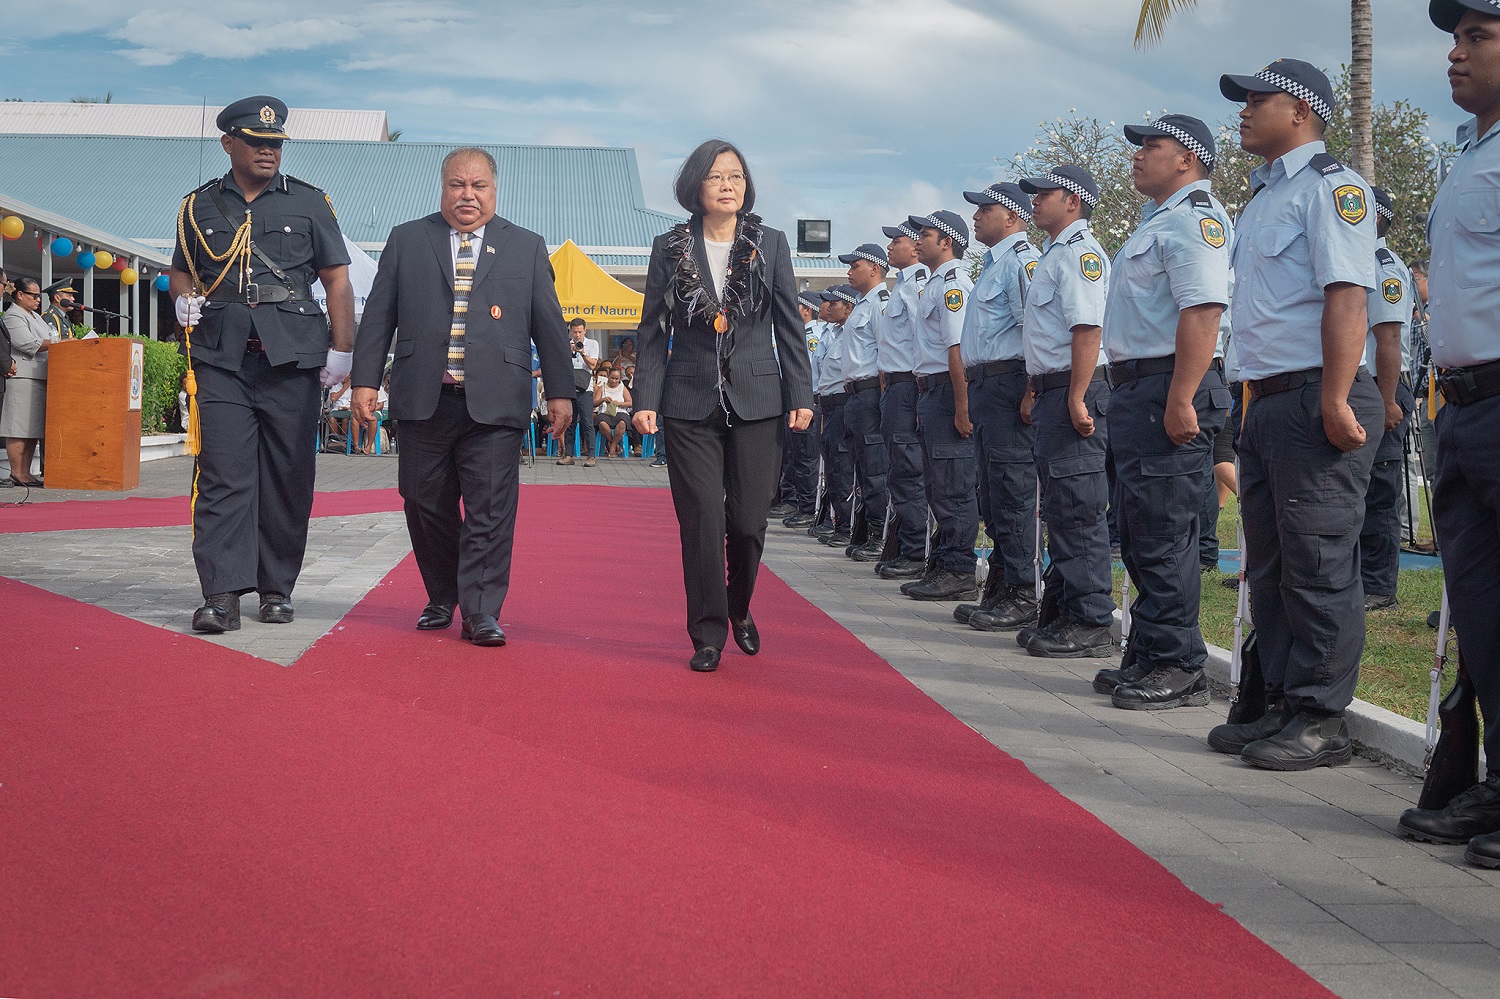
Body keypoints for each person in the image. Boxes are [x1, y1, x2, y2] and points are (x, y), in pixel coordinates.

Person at [1206, 59, 1381, 770]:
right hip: (1270, 399)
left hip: (1318, 393)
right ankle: (1280, 698)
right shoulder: (1261, 199)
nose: (1244, 111)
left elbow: (1347, 295)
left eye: (1258, 100)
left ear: (1302, 111)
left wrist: (1336, 396)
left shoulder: (1333, 189)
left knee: (1317, 561)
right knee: (1272, 564)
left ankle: (1321, 716)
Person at [353, 146, 574, 648]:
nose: (468, 195)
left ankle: (479, 611)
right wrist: (365, 381)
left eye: (479, 186)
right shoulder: (408, 239)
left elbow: (550, 324)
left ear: (495, 191)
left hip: (495, 401)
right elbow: (379, 316)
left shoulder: (526, 246)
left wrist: (560, 391)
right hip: (422, 397)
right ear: (443, 187)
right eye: (458, 185)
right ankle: (443, 592)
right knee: (422, 500)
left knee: (490, 509)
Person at [169, 95, 356, 633]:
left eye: (275, 143)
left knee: (287, 475)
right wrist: (182, 299)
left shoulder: (310, 202)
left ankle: (276, 588)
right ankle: (222, 594)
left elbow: (336, 280)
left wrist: (342, 351)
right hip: (221, 358)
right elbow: (183, 269)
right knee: (223, 475)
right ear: (228, 143)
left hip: (292, 359)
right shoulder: (196, 206)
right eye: (257, 142)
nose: (269, 151)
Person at [630, 138, 814, 673]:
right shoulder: (669, 248)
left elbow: (789, 325)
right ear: (696, 187)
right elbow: (651, 330)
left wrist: (800, 393)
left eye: (736, 176)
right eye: (717, 177)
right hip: (688, 403)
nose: (729, 185)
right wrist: (645, 398)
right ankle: (707, 633)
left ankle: (739, 607)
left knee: (750, 522)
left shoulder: (770, 244)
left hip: (759, 399)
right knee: (703, 520)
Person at [1396, 0, 1500, 868]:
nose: (1455, 54)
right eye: (1455, 39)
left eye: (1478, 36)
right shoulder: (1471, 156)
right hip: (1462, 406)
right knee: (1481, 609)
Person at [1095, 116, 1233, 709]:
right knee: (1139, 528)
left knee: (1167, 534)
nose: (1139, 155)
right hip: (1139, 388)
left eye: (1153, 146)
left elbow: (1202, 311)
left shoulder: (1194, 220)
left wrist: (1181, 397)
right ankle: (1152, 649)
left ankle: (1179, 664)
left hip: (1169, 385)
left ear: (1187, 160)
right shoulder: (1155, 223)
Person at [1017, 166, 1115, 657]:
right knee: (1059, 506)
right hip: (1053, 389)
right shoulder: (1056, 252)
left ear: (1073, 201)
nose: (1033, 200)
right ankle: (1066, 611)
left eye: (1044, 193)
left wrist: (1076, 396)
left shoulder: (1080, 253)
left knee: (1077, 508)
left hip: (1075, 390)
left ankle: (1092, 619)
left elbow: (1087, 329)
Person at [955, 183, 1041, 632]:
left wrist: (1030, 392)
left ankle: (1022, 591)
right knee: (991, 491)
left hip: (1010, 384)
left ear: (1011, 216)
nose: (975, 217)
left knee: (1012, 491)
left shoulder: (1022, 261)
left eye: (984, 210)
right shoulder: (993, 266)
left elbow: (1034, 330)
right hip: (988, 385)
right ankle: (1003, 585)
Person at [903, 210, 978, 602]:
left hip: (950, 390)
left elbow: (957, 349)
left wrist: (962, 407)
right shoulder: (933, 284)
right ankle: (947, 560)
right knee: (937, 483)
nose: (918, 240)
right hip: (931, 390)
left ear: (947, 241)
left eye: (926, 234)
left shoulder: (954, 284)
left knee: (953, 485)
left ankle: (959, 568)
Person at [1358, 186, 1415, 612]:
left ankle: (1378, 585)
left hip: (1385, 385)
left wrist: (1387, 400)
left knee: (1379, 489)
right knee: (1358, 489)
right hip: (1367, 386)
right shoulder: (1360, 262)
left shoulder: (1384, 265)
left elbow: (1389, 339)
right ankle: (1361, 577)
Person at [874, 221, 929, 580]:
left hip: (911, 385)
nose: (891, 247)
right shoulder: (902, 286)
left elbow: (923, 342)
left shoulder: (919, 285)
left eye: (898, 240)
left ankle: (914, 549)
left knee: (910, 470)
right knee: (898, 470)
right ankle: (905, 545)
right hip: (895, 387)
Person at [837, 244, 892, 562]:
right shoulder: (861, 305)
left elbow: (887, 355)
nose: (848, 272)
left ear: (873, 268)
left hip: (872, 392)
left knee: (874, 467)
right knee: (860, 465)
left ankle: (878, 534)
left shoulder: (880, 304)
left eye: (854, 265)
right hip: (855, 394)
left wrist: (883, 400)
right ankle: (867, 530)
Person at [813, 285, 857, 546]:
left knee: (842, 468)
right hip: (828, 407)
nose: (828, 307)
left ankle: (846, 526)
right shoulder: (836, 333)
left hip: (843, 404)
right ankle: (839, 521)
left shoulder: (850, 333)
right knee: (832, 467)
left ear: (848, 307)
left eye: (834, 303)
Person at [1, 276, 53, 488]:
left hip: (38, 375)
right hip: (22, 376)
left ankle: (26, 471)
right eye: (33, 295)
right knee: (18, 428)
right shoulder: (14, 315)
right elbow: (27, 343)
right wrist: (60, 343)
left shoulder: (35, 316)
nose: (38, 299)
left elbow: (48, 337)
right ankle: (16, 472)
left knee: (32, 429)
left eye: (39, 295)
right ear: (20, 295)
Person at [779, 289, 825, 526]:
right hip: (794, 403)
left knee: (806, 458)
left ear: (806, 310)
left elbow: (806, 372)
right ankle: (794, 499)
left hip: (808, 402)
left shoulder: (811, 336)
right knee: (792, 455)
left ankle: (806, 506)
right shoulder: (799, 334)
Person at [560, 317, 600, 466]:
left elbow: (593, 365)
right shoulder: (566, 343)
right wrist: (567, 351)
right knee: (569, 422)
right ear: (570, 331)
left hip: (585, 389)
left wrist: (582, 352)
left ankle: (591, 456)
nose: (577, 335)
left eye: (579, 332)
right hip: (570, 387)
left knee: (587, 422)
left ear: (585, 331)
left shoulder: (592, 344)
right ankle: (568, 454)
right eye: (574, 332)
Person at [594, 364, 632, 456]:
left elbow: (630, 402)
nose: (614, 381)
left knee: (622, 423)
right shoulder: (602, 388)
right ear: (608, 377)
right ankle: (614, 444)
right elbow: (594, 403)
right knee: (602, 423)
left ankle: (612, 446)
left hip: (620, 412)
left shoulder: (622, 388)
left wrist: (619, 403)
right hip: (605, 413)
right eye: (612, 378)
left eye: (617, 379)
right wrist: (603, 399)